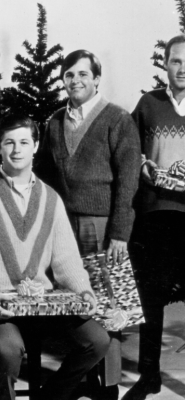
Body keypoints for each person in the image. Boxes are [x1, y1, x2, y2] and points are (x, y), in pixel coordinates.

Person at [0, 114, 110, 400]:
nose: (16, 149)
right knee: (8, 350)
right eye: (9, 142)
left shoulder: (51, 199)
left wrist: (82, 291)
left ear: (35, 146)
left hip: (42, 302)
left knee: (97, 341)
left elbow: (66, 258)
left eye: (24, 142)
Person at [39, 49, 141, 400]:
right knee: (75, 301)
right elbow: (46, 177)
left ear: (97, 79)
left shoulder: (118, 119)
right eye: (69, 75)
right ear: (63, 80)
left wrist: (119, 233)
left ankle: (108, 388)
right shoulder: (53, 123)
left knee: (109, 306)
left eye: (83, 74)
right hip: (64, 228)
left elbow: (128, 182)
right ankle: (85, 375)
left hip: (102, 226)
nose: (76, 80)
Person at [123, 34, 185, 400]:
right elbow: (129, 151)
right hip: (157, 214)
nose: (182, 68)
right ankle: (149, 376)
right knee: (152, 296)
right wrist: (142, 167)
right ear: (165, 65)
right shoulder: (149, 104)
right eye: (176, 61)